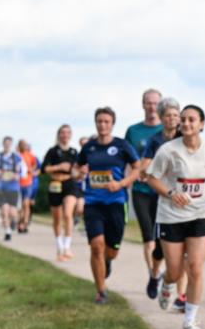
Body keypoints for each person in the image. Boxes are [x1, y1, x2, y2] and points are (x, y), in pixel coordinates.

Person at [146, 105, 205, 329]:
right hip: (171, 216)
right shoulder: (168, 150)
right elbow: (151, 178)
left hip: (201, 213)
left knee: (195, 267)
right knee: (175, 271)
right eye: (183, 120)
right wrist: (172, 193)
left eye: (191, 120)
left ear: (202, 124)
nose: (186, 123)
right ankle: (167, 282)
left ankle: (190, 321)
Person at [77, 108, 140, 304]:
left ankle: (108, 261)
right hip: (93, 203)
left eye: (106, 121)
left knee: (111, 250)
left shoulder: (122, 146)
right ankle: (101, 291)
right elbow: (78, 167)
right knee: (96, 246)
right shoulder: (89, 147)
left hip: (116, 203)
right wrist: (80, 171)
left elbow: (137, 168)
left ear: (112, 124)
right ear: (95, 123)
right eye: (99, 121)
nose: (102, 125)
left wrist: (121, 184)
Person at [141, 98, 188, 307]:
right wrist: (147, 171)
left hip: (183, 198)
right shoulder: (155, 141)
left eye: (176, 115)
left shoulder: (185, 137)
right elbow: (145, 166)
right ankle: (154, 274)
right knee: (160, 247)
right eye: (168, 115)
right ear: (161, 118)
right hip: (160, 198)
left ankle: (181, 295)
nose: (173, 119)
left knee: (185, 247)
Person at [125, 88, 165, 298]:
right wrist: (129, 179)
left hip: (164, 192)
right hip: (141, 191)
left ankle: (159, 270)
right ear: (143, 105)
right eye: (148, 103)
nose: (152, 107)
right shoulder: (133, 131)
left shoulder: (168, 130)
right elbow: (127, 159)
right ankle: (153, 274)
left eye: (155, 103)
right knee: (148, 236)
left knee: (163, 238)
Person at [43, 124, 80, 261]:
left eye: (67, 133)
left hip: (69, 184)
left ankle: (67, 246)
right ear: (59, 135)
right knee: (57, 218)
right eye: (62, 133)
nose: (65, 135)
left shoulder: (74, 152)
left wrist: (78, 173)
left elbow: (77, 169)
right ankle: (59, 246)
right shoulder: (52, 151)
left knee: (68, 213)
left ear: (70, 135)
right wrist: (59, 167)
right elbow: (44, 169)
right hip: (55, 184)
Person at [0, 137, 25, 241]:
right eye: (5, 143)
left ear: (11, 144)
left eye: (9, 143)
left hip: (12, 187)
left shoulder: (16, 157)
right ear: (3, 144)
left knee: (13, 212)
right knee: (4, 210)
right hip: (0, 187)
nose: (7, 145)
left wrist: (17, 176)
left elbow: (23, 171)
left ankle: (14, 221)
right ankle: (7, 231)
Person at [17, 139, 41, 233]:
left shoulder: (30, 155)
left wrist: (32, 171)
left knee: (26, 204)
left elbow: (37, 166)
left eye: (25, 144)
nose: (23, 146)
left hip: (28, 183)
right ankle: (20, 222)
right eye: (21, 144)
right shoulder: (16, 156)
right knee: (20, 206)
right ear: (19, 146)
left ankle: (25, 223)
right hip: (17, 184)